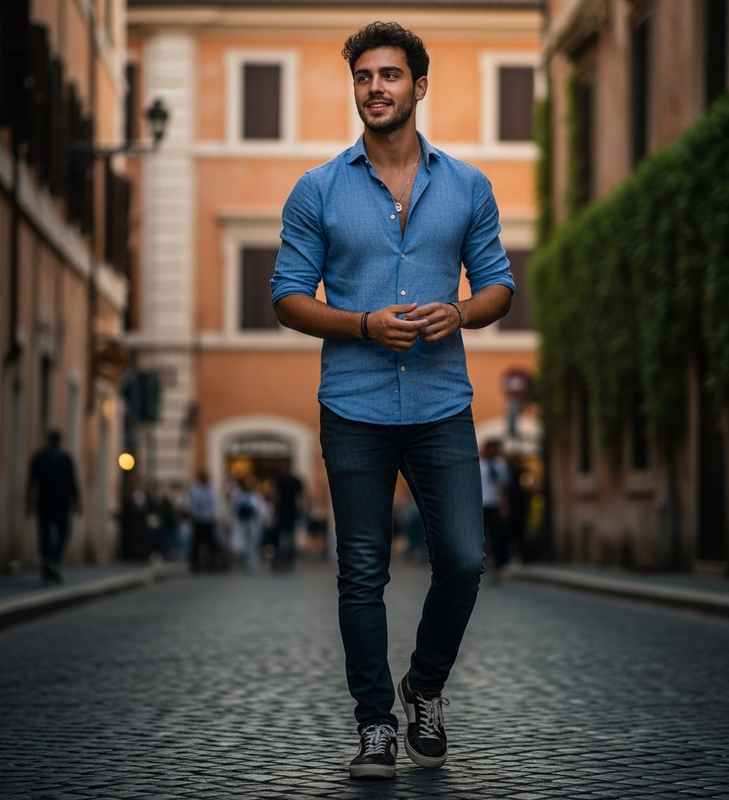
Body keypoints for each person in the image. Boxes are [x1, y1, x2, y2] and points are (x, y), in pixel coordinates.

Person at [270, 21, 515, 780]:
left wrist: (464, 312)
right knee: (361, 571)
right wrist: (362, 324)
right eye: (365, 77)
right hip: (354, 404)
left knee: (465, 560)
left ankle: (425, 686)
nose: (376, 88)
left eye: (390, 75)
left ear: (418, 86)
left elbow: (500, 283)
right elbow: (286, 298)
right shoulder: (318, 189)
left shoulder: (469, 186)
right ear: (357, 88)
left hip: (443, 400)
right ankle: (375, 724)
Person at [26, 429, 82, 584]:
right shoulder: (65, 458)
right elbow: (72, 482)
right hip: (62, 502)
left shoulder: (39, 457)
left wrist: (29, 502)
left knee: (44, 534)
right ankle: (53, 559)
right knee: (63, 533)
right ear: (59, 442)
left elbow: (31, 482)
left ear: (48, 441)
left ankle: (46, 566)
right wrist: (77, 502)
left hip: (43, 501)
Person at [479, 439, 511, 578]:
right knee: (483, 534)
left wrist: (504, 505)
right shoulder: (480, 464)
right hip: (482, 503)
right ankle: (483, 560)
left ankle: (498, 561)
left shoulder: (500, 464)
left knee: (497, 533)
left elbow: (504, 486)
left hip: (495, 503)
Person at [185, 470, 218, 571]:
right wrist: (192, 515)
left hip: (208, 520)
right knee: (196, 543)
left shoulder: (211, 490)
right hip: (198, 520)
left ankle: (210, 563)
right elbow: (191, 503)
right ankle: (195, 564)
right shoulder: (195, 490)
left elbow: (215, 505)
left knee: (210, 543)